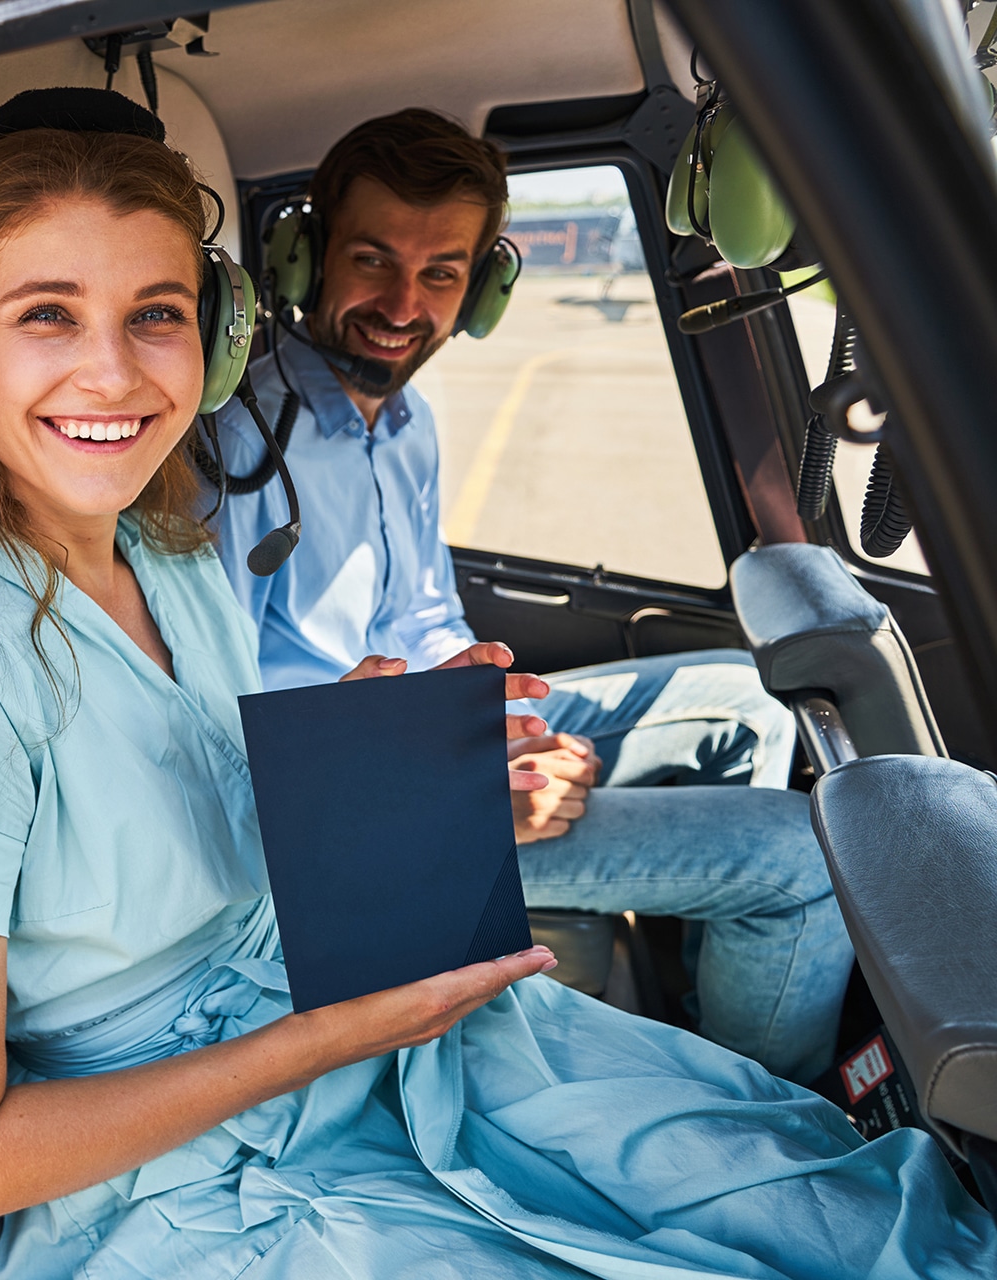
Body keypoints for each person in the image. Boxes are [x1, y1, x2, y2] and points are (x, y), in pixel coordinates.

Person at [0, 89, 991, 1279]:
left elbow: (209, 811)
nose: (112, 372)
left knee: (830, 1199)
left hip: (344, 1015)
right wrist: (330, 1035)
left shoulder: (168, 558)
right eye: (47, 315)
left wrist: (369, 732)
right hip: (185, 1175)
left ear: (218, 334)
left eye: (156, 313)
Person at [212, 109, 850, 1084]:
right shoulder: (248, 444)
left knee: (744, 698)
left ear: (481, 288)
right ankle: (761, 1122)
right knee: (804, 864)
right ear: (304, 258)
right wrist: (454, 786)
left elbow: (427, 620)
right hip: (342, 824)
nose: (400, 303)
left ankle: (701, 1016)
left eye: (439, 272)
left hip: (434, 743)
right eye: (371, 260)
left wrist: (505, 730)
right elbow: (225, 717)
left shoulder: (409, 422)